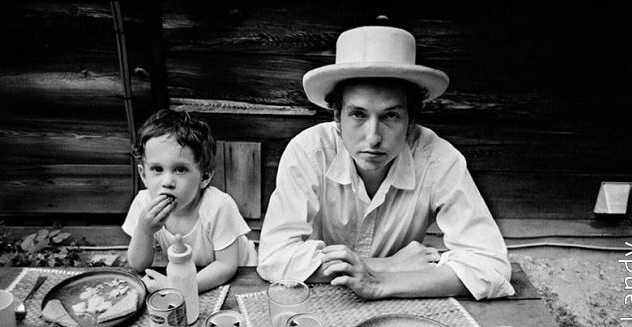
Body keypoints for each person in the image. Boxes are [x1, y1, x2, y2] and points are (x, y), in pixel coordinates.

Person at [257, 26, 514, 300]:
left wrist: (383, 284)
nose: (373, 137)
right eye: (357, 114)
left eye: (390, 116)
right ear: (337, 118)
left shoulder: (438, 159)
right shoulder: (308, 151)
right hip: (321, 296)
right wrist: (391, 265)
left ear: (411, 120)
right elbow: (274, 257)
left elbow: (492, 266)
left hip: (400, 296)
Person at [123, 109, 257, 292]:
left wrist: (179, 287)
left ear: (204, 177)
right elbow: (138, 265)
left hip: (242, 276)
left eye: (180, 169)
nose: (167, 182)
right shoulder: (143, 204)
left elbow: (226, 266)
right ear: (143, 174)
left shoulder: (218, 206)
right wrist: (145, 230)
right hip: (192, 274)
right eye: (157, 169)